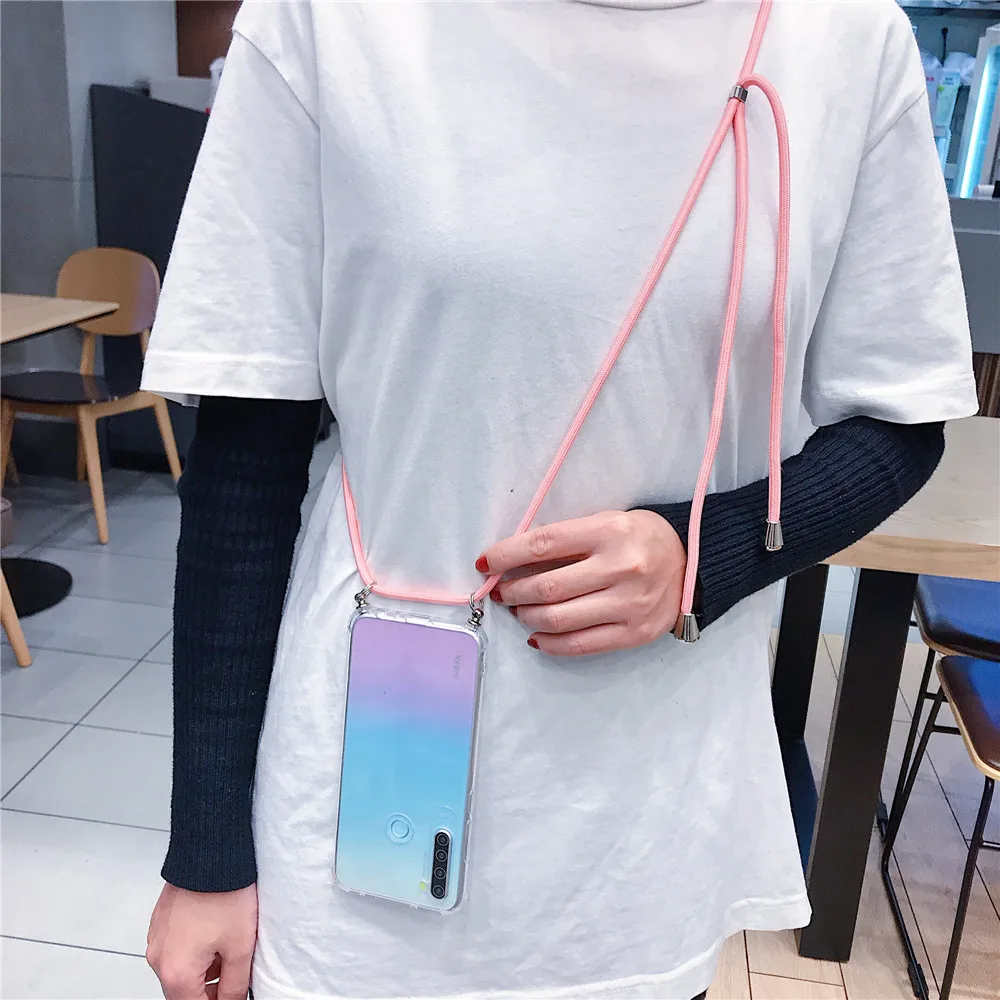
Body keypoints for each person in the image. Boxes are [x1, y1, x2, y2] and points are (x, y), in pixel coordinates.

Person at [140, 1, 979, 998]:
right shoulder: (328, 21)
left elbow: (900, 418)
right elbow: (245, 464)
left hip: (642, 827)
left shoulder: (842, 41)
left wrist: (700, 555)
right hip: (357, 814)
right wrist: (206, 852)